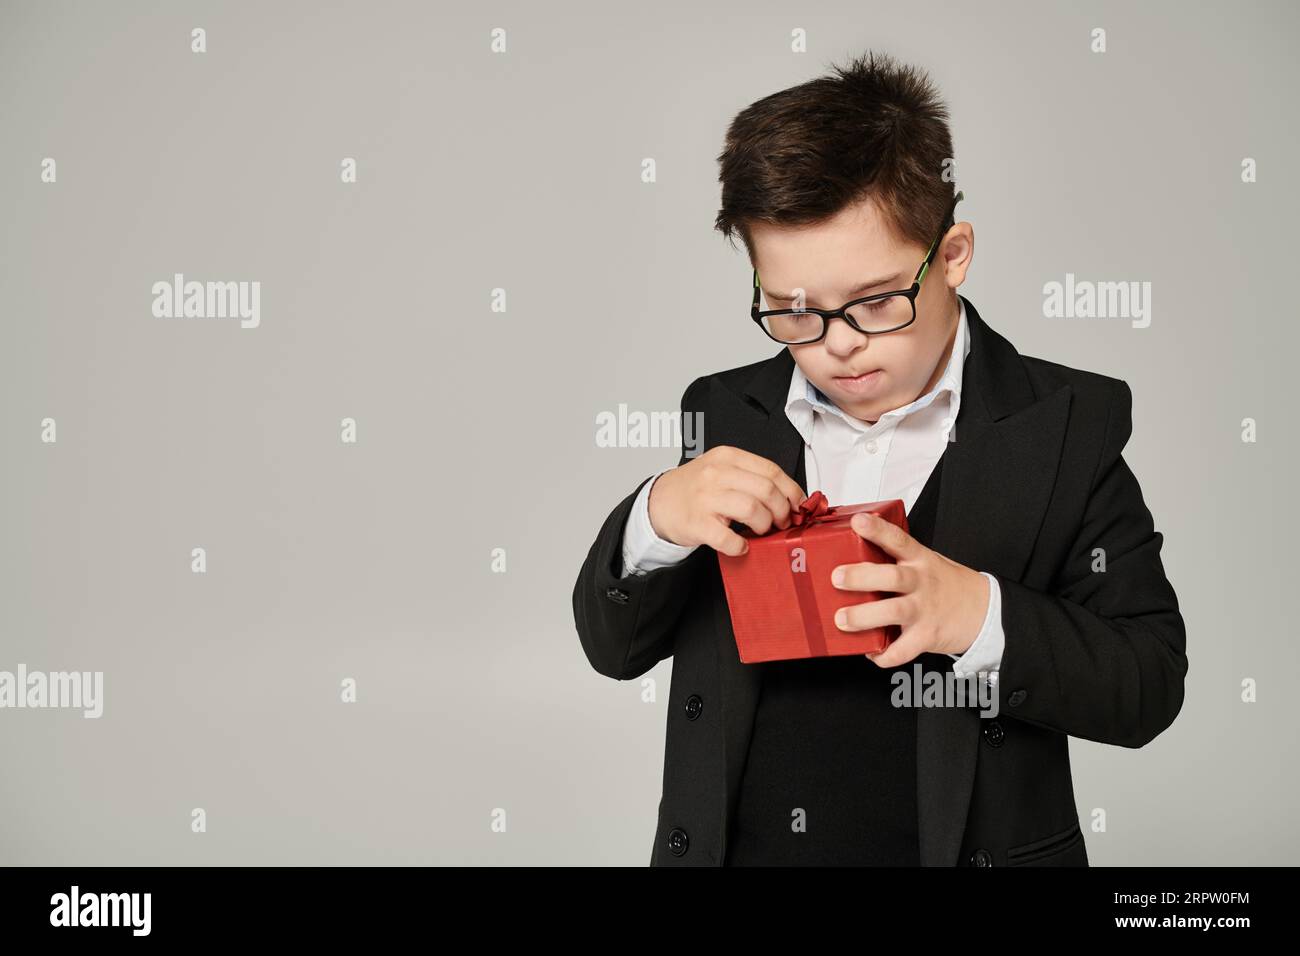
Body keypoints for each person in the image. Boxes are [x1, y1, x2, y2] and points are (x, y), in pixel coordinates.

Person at [571, 50, 1187, 866]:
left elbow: (1146, 683)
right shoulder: (722, 409)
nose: (837, 346)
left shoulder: (1068, 425)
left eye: (875, 301)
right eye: (794, 311)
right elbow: (615, 650)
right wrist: (654, 518)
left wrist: (977, 615)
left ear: (954, 254)